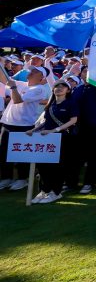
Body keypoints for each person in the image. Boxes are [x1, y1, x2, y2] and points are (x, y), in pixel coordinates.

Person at [0, 60, 51, 191]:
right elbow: (4, 79)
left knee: (20, 154)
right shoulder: (23, 85)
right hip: (7, 123)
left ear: (42, 78)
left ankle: (22, 179)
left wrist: (13, 87)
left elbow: (17, 100)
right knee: (3, 153)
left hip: (23, 126)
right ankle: (6, 178)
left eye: (35, 71)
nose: (31, 71)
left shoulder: (39, 90)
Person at [26, 80, 78, 204]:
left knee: (57, 167)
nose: (59, 88)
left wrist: (55, 130)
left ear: (68, 90)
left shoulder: (71, 103)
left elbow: (73, 120)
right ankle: (45, 190)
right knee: (43, 165)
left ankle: (56, 192)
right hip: (46, 138)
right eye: (57, 86)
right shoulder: (51, 104)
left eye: (63, 87)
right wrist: (33, 130)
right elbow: (45, 122)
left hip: (63, 138)